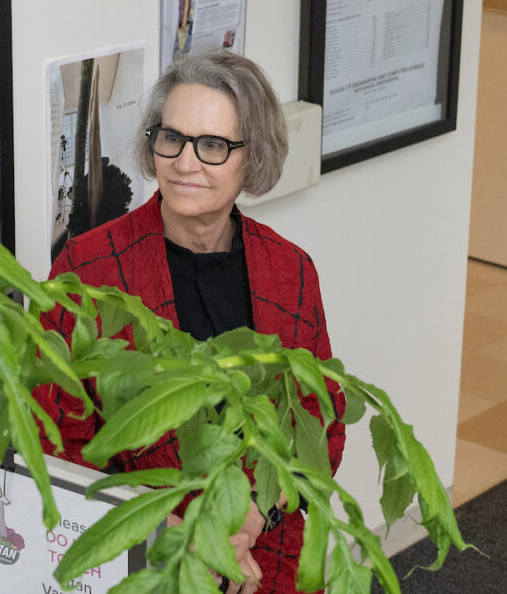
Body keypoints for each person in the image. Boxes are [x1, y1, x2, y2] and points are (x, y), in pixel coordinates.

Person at [33, 49, 345, 594]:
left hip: (267, 553)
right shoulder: (88, 268)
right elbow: (55, 441)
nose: (185, 161)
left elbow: (319, 425)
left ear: (252, 159)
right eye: (170, 137)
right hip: (147, 557)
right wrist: (177, 534)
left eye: (214, 145)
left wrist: (250, 518)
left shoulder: (289, 271)